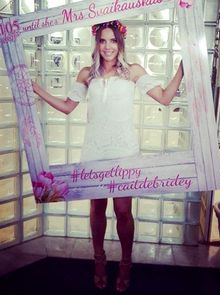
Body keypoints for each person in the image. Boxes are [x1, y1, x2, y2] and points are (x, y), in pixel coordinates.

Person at [32, 20, 184, 292]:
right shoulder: (86, 74)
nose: (108, 46)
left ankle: (126, 263)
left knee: (123, 211)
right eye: (102, 41)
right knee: (97, 209)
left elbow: (163, 97)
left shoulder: (132, 72)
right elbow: (68, 107)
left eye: (112, 40)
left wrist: (183, 70)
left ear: (120, 42)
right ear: (96, 43)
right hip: (94, 151)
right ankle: (99, 260)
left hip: (124, 151)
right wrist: (38, 91)